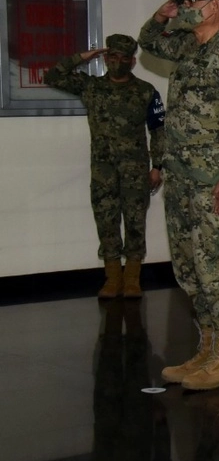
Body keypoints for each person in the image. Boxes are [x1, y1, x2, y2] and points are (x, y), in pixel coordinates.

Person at [138, 0, 219, 391]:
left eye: (193, 2)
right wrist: (161, 15)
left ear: (216, 5)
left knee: (212, 267)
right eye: (183, 2)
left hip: (211, 179)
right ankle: (205, 349)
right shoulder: (187, 48)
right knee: (187, 267)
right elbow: (149, 43)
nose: (186, 8)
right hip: (180, 177)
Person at [44, 34, 165, 298]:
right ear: (106, 59)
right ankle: (112, 279)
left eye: (124, 58)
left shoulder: (146, 91)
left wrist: (158, 167)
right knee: (106, 223)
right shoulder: (91, 87)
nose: (118, 62)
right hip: (103, 171)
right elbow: (52, 76)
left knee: (135, 223)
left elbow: (158, 130)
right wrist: (82, 57)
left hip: (135, 170)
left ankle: (132, 278)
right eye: (113, 57)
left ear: (132, 62)